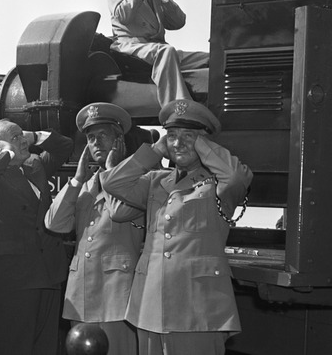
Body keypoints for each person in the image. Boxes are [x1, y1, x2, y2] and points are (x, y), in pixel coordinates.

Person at [103, 99, 253, 355]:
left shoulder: (220, 184)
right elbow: (113, 183)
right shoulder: (156, 181)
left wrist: (200, 143)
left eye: (189, 136)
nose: (178, 142)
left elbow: (238, 177)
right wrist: (156, 150)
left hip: (197, 308)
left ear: (205, 143)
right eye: (172, 135)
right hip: (149, 304)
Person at [45, 102, 145, 355]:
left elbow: (122, 211)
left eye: (103, 136)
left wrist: (113, 172)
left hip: (117, 297)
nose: (96, 143)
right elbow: (55, 223)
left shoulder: (140, 180)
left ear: (119, 141)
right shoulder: (86, 185)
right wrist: (77, 180)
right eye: (91, 138)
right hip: (81, 296)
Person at [0, 119, 73, 355]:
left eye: (21, 136)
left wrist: (34, 136)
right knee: (12, 345)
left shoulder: (35, 166)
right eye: (14, 137)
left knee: (45, 346)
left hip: (48, 271)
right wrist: (5, 153)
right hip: (13, 277)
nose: (21, 141)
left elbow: (64, 146)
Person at [105, 0, 209, 106]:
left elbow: (177, 22)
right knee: (166, 52)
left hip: (157, 48)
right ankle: (177, 107)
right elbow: (122, 17)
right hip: (131, 46)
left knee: (210, 58)